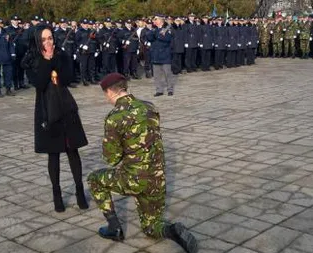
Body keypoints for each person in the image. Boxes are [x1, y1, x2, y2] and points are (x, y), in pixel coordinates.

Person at [88, 73, 198, 253]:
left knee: (94, 179)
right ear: (124, 87)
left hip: (134, 178)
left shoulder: (114, 117)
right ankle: (171, 230)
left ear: (109, 92)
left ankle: (114, 227)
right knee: (150, 228)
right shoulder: (149, 107)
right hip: (157, 179)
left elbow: (112, 159)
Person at [22, 25, 89, 212]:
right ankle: (56, 193)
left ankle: (79, 190)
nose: (48, 42)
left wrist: (56, 61)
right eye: (43, 39)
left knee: (72, 151)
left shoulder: (62, 55)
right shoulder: (31, 60)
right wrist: (46, 61)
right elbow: (40, 83)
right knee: (54, 154)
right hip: (47, 110)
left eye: (50, 38)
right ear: (37, 41)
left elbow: (68, 78)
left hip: (66, 107)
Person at [147, 15, 176, 97]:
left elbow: (167, 39)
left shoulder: (168, 29)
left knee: (168, 74)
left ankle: (170, 90)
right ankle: (159, 90)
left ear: (161, 20)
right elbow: (149, 37)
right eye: (154, 20)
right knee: (156, 75)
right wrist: (154, 32)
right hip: (155, 55)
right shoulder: (154, 29)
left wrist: (158, 35)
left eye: (156, 19)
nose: (154, 21)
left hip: (165, 55)